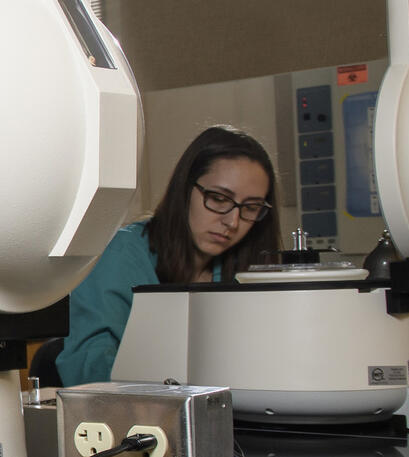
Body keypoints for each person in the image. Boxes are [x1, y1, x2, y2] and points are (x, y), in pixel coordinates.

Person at [57, 126, 281, 386]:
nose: (232, 221)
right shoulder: (120, 255)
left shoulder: (240, 270)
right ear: (184, 189)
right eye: (219, 199)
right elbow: (88, 373)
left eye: (251, 208)